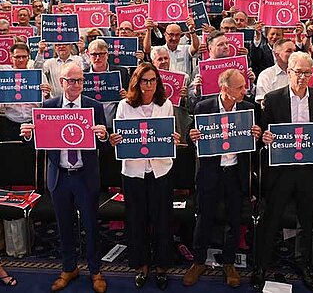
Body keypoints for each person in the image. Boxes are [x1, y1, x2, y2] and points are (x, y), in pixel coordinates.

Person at [251, 51, 313, 292]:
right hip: (280, 171)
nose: (302, 77)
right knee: (271, 218)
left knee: (305, 219)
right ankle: (261, 265)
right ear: (288, 72)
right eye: (298, 72)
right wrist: (265, 138)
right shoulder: (272, 98)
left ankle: (303, 264)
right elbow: (261, 134)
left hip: (308, 170)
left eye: (307, 72)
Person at [20, 64, 109, 293]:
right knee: (64, 226)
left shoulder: (94, 106)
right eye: (71, 81)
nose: (75, 85)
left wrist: (103, 136)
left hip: (85, 176)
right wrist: (29, 136)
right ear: (61, 82)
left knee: (90, 226)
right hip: (59, 176)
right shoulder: (48, 106)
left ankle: (95, 270)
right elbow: (38, 142)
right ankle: (69, 267)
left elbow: (105, 143)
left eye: (79, 80)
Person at [183, 69, 262, 288]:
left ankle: (229, 262)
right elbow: (192, 135)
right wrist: (193, 136)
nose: (244, 90)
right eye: (239, 87)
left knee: (234, 220)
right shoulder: (203, 107)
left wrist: (257, 135)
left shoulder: (249, 108)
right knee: (204, 218)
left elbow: (256, 145)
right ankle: (198, 261)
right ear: (224, 89)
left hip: (236, 172)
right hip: (210, 173)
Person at [109, 63, 181, 290]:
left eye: (152, 80)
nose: (148, 85)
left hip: (161, 170)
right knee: (136, 220)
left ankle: (162, 267)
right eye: (144, 81)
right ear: (136, 82)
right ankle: (142, 266)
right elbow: (120, 137)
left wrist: (173, 140)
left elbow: (169, 135)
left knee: (162, 220)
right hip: (133, 172)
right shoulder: (124, 106)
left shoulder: (166, 104)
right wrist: (115, 141)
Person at [0, 42, 51, 141]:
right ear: (11, 58)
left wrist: (47, 95)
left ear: (28, 57)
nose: (21, 60)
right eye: (17, 57)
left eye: (24, 57)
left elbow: (47, 104)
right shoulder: (4, 78)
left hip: (34, 122)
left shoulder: (39, 76)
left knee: (33, 154)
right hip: (11, 122)